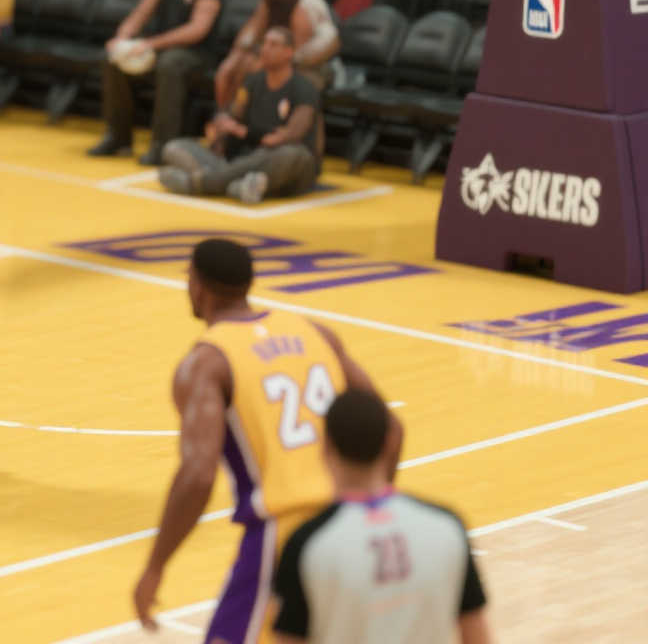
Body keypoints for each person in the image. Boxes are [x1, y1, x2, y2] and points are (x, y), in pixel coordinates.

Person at [131, 238, 398, 644]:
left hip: (283, 533)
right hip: (351, 520)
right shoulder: (315, 333)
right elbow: (391, 429)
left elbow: (199, 475)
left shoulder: (207, 363)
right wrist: (373, 504)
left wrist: (155, 565)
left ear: (197, 287)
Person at [272, 389, 492, 644]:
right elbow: (477, 636)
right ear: (391, 442)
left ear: (326, 447)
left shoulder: (305, 545)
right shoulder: (447, 526)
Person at [90, 0, 225, 164]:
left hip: (198, 54)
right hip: (162, 49)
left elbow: (197, 30)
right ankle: (118, 137)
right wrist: (122, 38)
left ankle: (162, 146)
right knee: (113, 59)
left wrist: (149, 44)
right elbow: (140, 14)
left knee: (169, 64)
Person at [161, 26, 325, 204]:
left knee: (292, 154)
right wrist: (221, 125)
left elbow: (286, 137)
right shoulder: (253, 81)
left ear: (289, 52)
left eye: (273, 44)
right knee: (174, 147)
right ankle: (238, 185)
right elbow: (233, 115)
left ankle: (201, 183)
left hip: (283, 163)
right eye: (264, 43)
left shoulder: (304, 88)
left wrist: (242, 131)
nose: (265, 48)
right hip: (246, 160)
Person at [213, 0, 340, 107]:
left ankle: (246, 115)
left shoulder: (306, 6)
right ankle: (225, 113)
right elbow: (251, 35)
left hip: (312, 67)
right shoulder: (268, 1)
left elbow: (305, 51)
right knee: (228, 70)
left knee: (256, 71)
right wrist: (238, 54)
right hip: (279, 58)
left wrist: (266, 60)